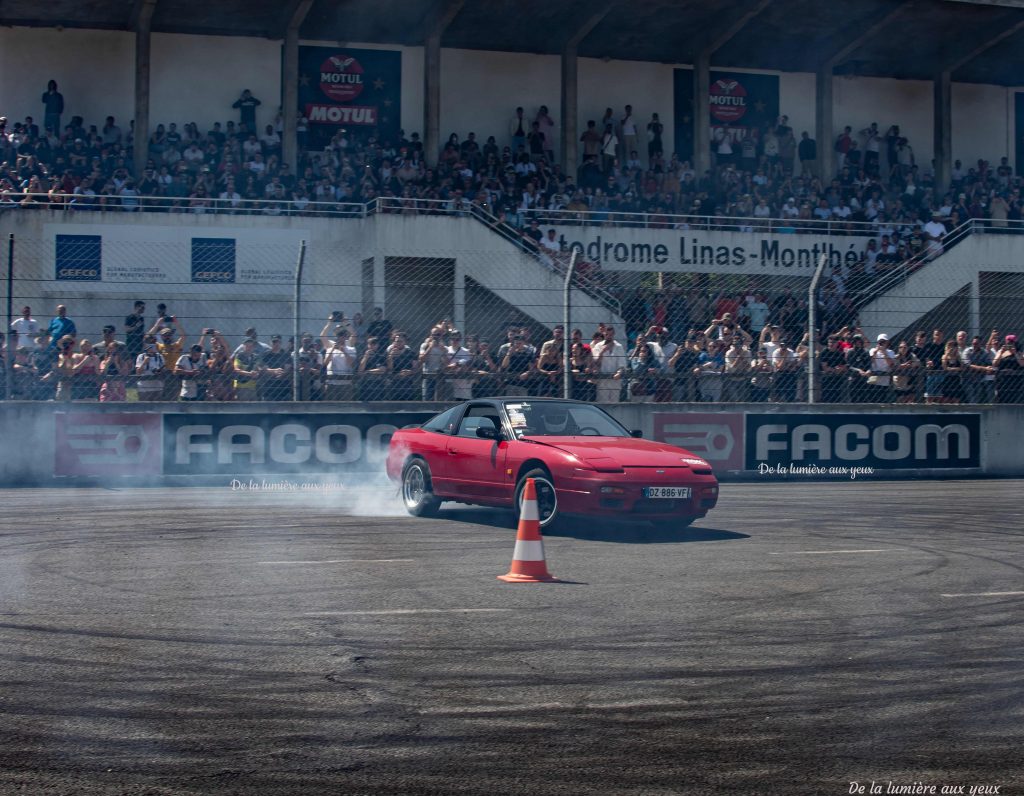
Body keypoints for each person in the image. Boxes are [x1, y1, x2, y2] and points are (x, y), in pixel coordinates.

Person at [590, 325, 627, 402]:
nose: (609, 336)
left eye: (610, 334)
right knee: (603, 404)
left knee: (614, 404)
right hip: (603, 381)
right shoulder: (598, 346)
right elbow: (595, 362)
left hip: (615, 381)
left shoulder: (619, 346)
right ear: (603, 334)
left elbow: (622, 364)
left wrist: (619, 373)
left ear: (614, 334)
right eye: (607, 334)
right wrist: (602, 351)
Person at [993, 335, 1023, 403]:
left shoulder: (1019, 352)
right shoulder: (1001, 351)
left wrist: (1015, 353)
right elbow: (994, 363)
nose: (1010, 344)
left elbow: (1022, 364)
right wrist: (1001, 353)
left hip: (1016, 380)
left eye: (1012, 343)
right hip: (1002, 380)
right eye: (1008, 343)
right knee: (1002, 398)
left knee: (1016, 398)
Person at [134, 335, 166, 401]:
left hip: (157, 387)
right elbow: (138, 372)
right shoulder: (141, 356)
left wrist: (160, 371)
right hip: (144, 388)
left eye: (154, 342)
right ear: (145, 345)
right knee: (144, 408)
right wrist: (144, 362)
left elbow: (163, 371)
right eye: (149, 343)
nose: (152, 345)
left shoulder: (159, 356)